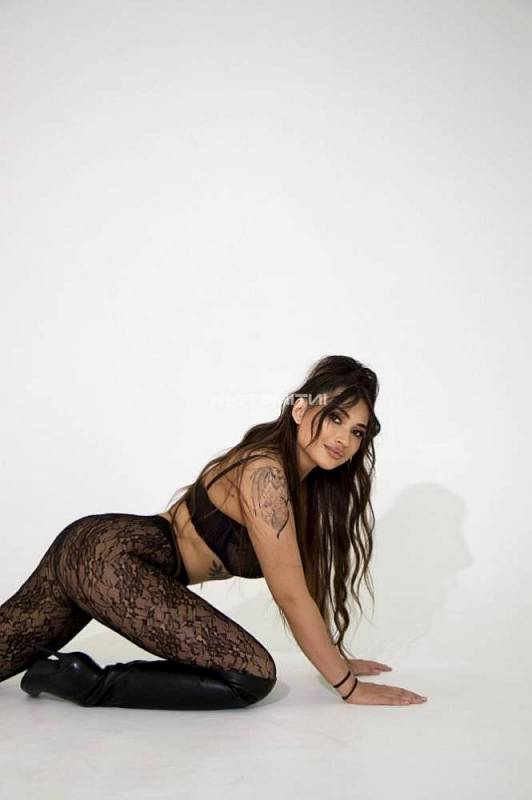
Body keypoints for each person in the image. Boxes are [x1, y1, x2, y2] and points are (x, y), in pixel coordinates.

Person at [0, 355, 427, 709]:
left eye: (356, 431)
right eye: (334, 417)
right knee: (251, 674)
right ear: (300, 409)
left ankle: (55, 673)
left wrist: (334, 658)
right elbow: (291, 595)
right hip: (109, 558)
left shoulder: (299, 484)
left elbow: (303, 587)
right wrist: (348, 688)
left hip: (96, 551)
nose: (343, 439)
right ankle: (81, 680)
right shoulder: (265, 473)